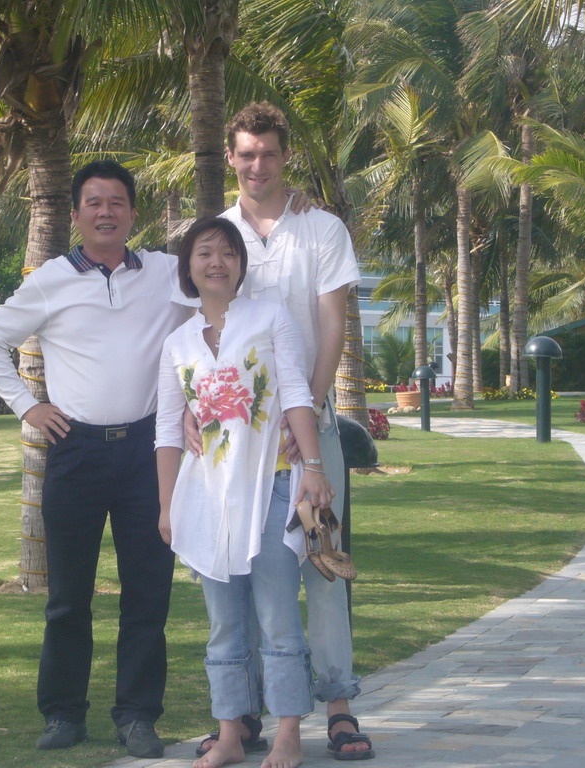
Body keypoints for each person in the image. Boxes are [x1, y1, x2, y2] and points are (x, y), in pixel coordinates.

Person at [0, 160, 191, 759]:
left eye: (117, 202)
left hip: (150, 452)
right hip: (74, 453)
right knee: (69, 596)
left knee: (148, 594)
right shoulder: (50, 279)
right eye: (93, 202)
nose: (105, 212)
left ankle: (138, 716)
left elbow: (227, 275)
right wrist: (28, 407)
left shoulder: (169, 274)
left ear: (132, 213)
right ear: (75, 214)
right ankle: (63, 716)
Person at [191, 102, 373, 760]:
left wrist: (308, 415)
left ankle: (340, 707)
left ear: (284, 155)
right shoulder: (217, 234)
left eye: (268, 153)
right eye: (246, 154)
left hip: (310, 427)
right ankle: (239, 719)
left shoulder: (320, 229)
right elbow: (205, 327)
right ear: (231, 157)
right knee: (235, 569)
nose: (257, 165)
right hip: (236, 437)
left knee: (323, 566)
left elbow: (332, 325)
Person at [157, 217, 335, 768]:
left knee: (278, 615)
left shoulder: (269, 317)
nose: (217, 262)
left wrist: (312, 464)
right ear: (188, 268)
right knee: (223, 625)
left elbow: (296, 392)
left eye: (228, 252)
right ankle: (229, 734)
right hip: (206, 498)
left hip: (273, 485)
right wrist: (166, 508)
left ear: (241, 265)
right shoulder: (177, 343)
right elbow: (167, 430)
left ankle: (287, 733)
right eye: (205, 253)